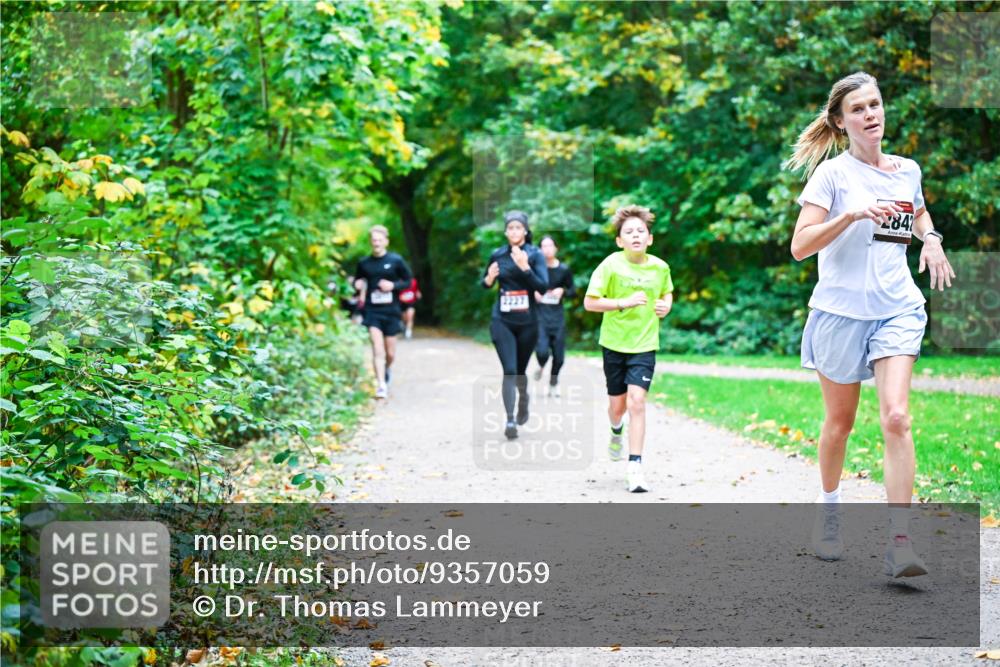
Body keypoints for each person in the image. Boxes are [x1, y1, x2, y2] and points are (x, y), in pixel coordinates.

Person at [786, 71, 955, 577]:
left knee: (897, 417)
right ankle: (830, 507)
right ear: (841, 121)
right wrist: (851, 216)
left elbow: (919, 213)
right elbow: (800, 246)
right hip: (839, 313)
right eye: (858, 109)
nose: (871, 114)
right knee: (839, 424)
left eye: (876, 104)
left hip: (897, 308)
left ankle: (900, 543)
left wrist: (932, 239)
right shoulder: (832, 176)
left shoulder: (907, 170)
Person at [584, 205, 673, 493]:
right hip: (613, 344)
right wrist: (623, 302)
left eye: (640, 231)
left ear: (649, 238)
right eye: (628, 232)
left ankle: (635, 467)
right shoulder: (610, 264)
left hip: (645, 345)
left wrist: (666, 306)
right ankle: (615, 430)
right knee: (617, 407)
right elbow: (590, 302)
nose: (635, 235)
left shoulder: (660, 267)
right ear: (619, 241)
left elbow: (666, 292)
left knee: (637, 402)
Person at [482, 210, 549, 440]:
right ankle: (510, 419)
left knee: (520, 371)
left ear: (525, 231)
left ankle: (524, 400)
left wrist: (525, 268)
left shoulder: (535, 254)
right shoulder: (497, 254)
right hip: (502, 321)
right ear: (505, 231)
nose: (514, 231)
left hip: (528, 322)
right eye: (510, 228)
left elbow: (542, 287)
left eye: (518, 227)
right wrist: (489, 279)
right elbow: (485, 282)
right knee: (509, 370)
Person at [354, 225, 414, 399]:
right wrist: (357, 284)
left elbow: (408, 281)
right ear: (370, 242)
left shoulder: (396, 260)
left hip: (392, 311)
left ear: (386, 241)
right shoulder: (364, 263)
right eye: (374, 240)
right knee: (377, 349)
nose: (377, 243)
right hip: (372, 311)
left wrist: (393, 286)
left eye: (380, 240)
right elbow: (358, 280)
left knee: (390, 353)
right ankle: (381, 385)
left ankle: (386, 368)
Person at [532, 236, 575, 397]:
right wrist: (533, 292)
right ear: (540, 250)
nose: (547, 249)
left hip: (557, 317)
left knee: (559, 356)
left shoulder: (563, 270)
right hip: (539, 316)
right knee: (542, 351)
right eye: (543, 246)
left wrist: (562, 291)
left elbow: (573, 291)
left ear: (556, 248)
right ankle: (541, 365)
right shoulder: (535, 269)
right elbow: (525, 286)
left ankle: (553, 383)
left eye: (550, 246)